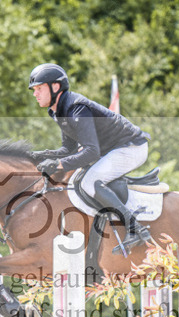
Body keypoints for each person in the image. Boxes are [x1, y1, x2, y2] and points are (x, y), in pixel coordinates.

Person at [28, 63, 153, 253]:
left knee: (90, 182)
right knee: (80, 179)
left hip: (131, 148)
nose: (35, 94)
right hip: (113, 149)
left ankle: (135, 228)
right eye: (34, 90)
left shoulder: (76, 109)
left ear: (55, 87)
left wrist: (59, 164)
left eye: (39, 88)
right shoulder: (58, 110)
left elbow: (91, 152)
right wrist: (43, 155)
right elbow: (69, 149)